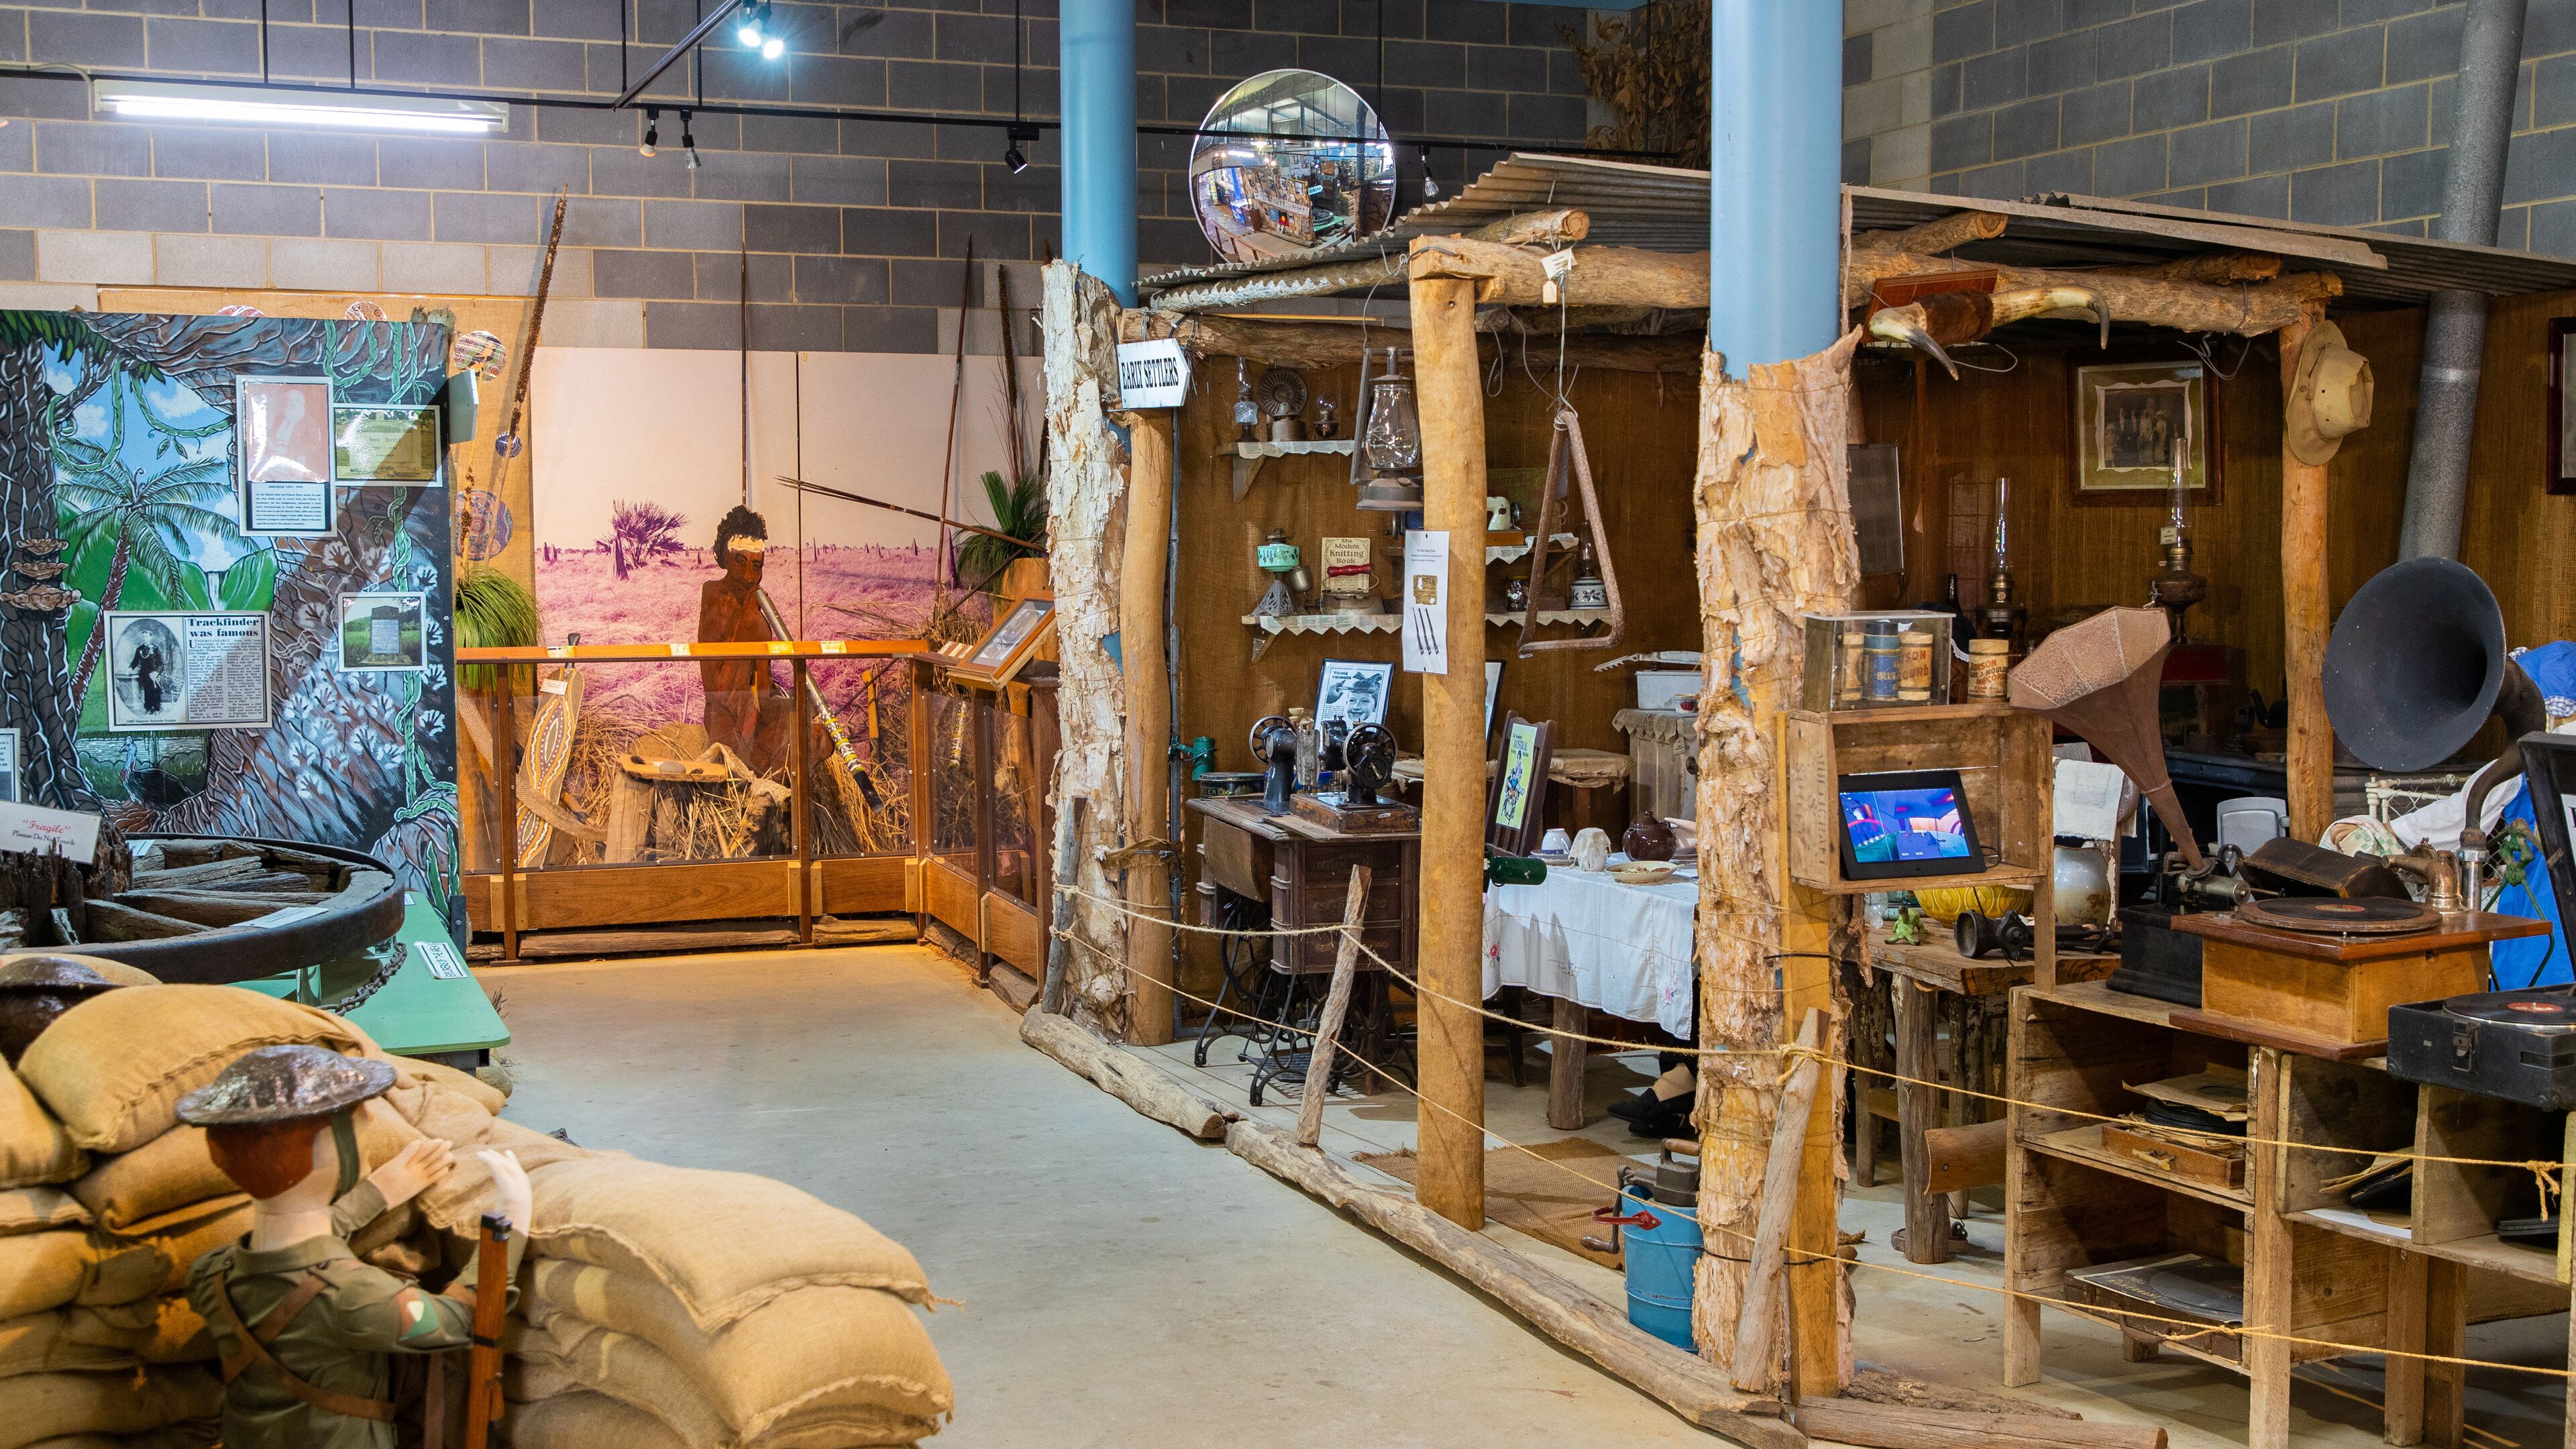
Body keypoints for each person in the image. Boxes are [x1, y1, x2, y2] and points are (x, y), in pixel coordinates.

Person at [182, 1044, 527, 1449]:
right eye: (360, 1140)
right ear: (332, 1154)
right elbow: (465, 1318)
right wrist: (513, 1222)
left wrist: (377, 1195)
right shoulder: (352, 1296)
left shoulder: (210, 1275)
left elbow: (298, 1248)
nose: (367, 1147)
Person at [697, 505, 794, 773]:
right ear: (725, 557)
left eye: (757, 565)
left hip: (757, 712)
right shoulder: (714, 594)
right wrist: (750, 618)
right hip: (725, 716)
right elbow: (718, 685)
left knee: (813, 730)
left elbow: (763, 680)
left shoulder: (756, 604)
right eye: (740, 561)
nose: (749, 575)